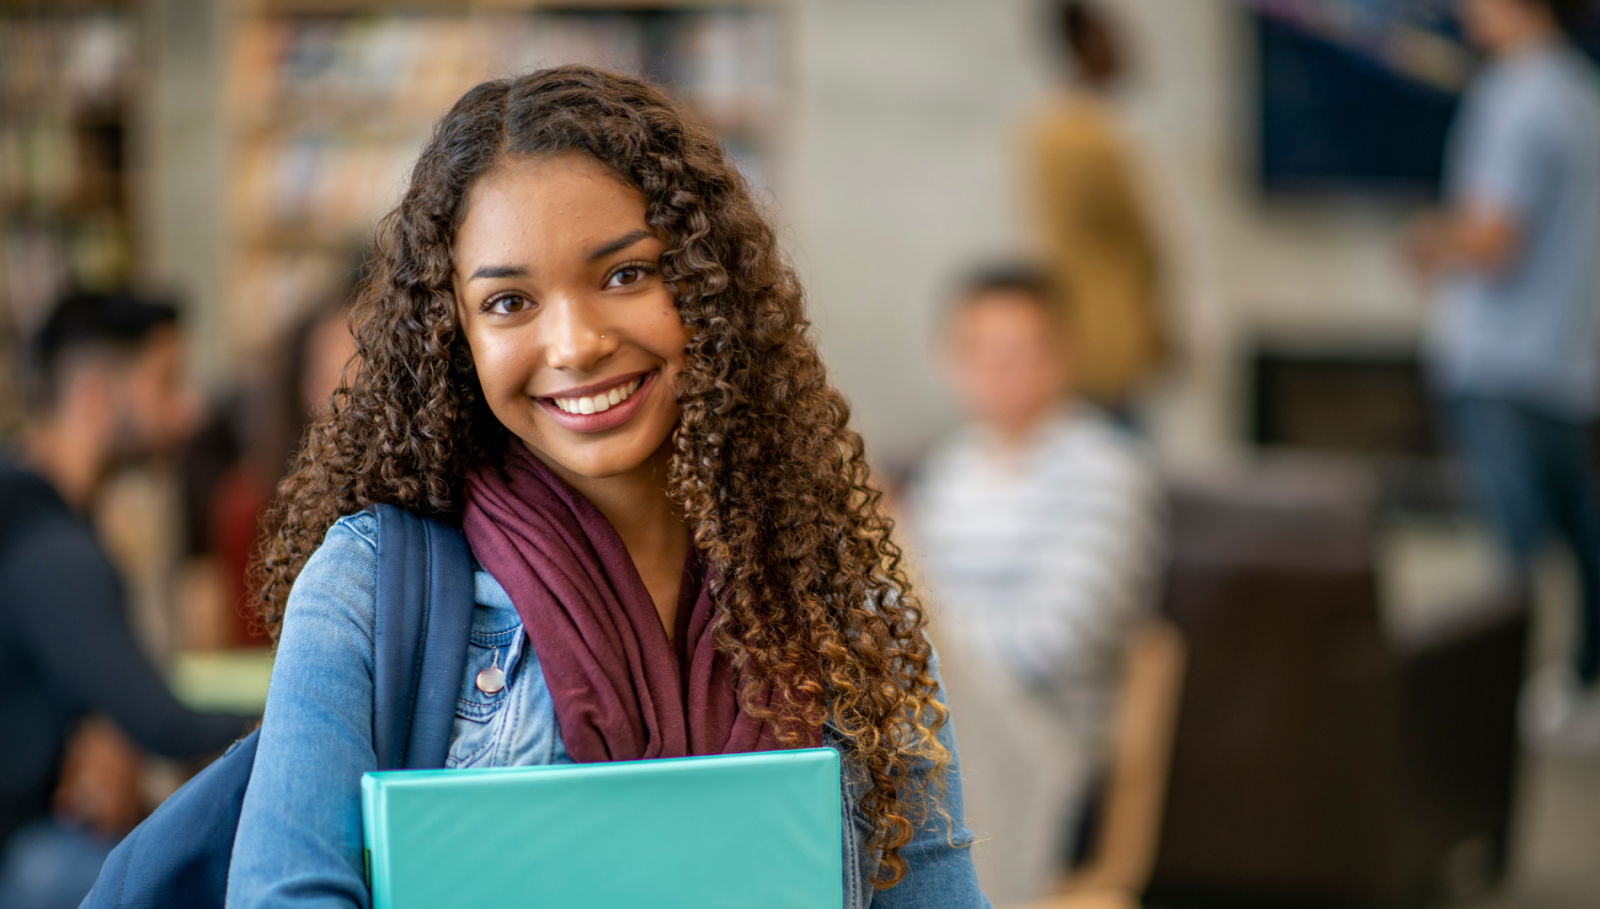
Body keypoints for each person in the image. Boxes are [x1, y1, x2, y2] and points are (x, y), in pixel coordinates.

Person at [226, 67, 986, 908]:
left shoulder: (838, 601)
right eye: (510, 301)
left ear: (707, 285)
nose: (575, 343)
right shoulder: (371, 584)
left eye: (625, 275)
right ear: (457, 337)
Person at [905, 267, 1161, 901]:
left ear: (1063, 356)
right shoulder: (950, 469)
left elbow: (1056, 639)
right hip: (941, 721)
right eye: (981, 352)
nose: (999, 370)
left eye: (1019, 353)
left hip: (1046, 742)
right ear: (951, 360)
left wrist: (936, 655)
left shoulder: (1106, 470)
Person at [0, 292, 256, 909]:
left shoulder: (33, 517)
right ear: (92, 393)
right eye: (164, 382)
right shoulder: (52, 548)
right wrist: (295, 722)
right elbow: (161, 723)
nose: (188, 410)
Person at [1402, 0, 1600, 749]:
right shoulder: (1582, 91)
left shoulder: (1513, 94)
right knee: (1580, 535)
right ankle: (1579, 681)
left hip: (1501, 359)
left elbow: (1491, 237)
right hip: (1571, 359)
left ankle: (1506, 701)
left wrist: (1425, 243)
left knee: (1514, 554)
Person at [1025, 0, 1167, 414]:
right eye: (1110, 38)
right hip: (1105, 337)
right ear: (1086, 45)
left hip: (1089, 330)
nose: (1123, 49)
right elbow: (1132, 241)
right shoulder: (1083, 136)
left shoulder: (1053, 127)